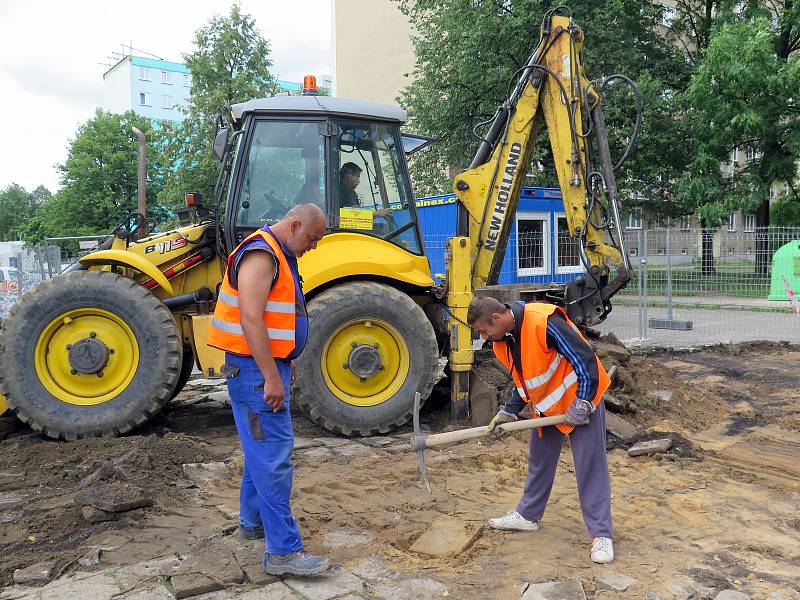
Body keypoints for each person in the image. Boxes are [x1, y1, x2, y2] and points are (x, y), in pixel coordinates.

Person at [208, 204, 329, 576]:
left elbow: (275, 316)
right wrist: (270, 375)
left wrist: (284, 359)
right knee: (274, 459)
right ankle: (283, 553)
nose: (312, 246)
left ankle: (252, 524)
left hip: (260, 367)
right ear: (294, 225)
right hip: (253, 372)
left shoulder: (277, 251)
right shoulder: (262, 254)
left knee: (258, 451)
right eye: (311, 239)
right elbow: (250, 317)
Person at [467, 296, 615, 564]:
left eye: (482, 330)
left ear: (497, 319)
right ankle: (528, 515)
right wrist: (509, 410)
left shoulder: (543, 321)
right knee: (540, 460)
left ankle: (601, 534)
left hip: (580, 400)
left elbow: (585, 360)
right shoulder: (504, 341)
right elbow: (525, 380)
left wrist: (583, 401)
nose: (481, 337)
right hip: (547, 405)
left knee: (589, 465)